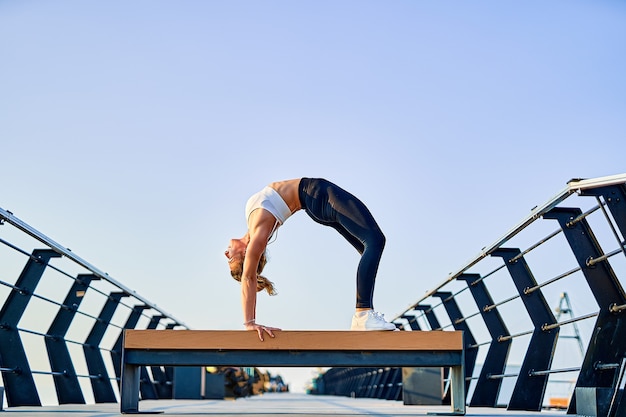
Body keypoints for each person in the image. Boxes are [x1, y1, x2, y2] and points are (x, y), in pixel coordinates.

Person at [225, 178, 396, 341]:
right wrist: (249, 323)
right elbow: (248, 277)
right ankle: (364, 313)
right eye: (231, 261)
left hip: (315, 200)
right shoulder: (258, 236)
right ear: (246, 255)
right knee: (375, 241)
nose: (226, 255)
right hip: (318, 194)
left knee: (368, 248)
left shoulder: (253, 223)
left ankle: (364, 312)